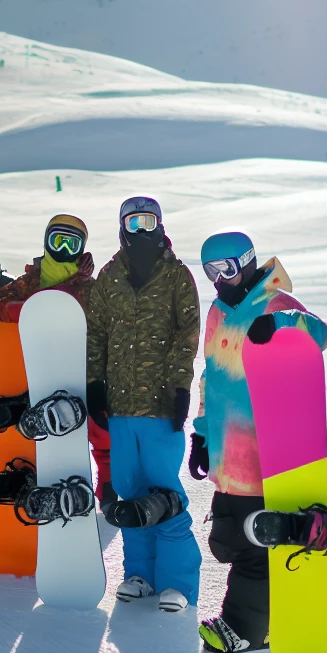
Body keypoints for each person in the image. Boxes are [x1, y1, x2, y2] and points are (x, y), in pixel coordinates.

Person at [189, 231, 327, 653]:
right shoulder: (217, 311)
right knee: (228, 539)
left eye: (226, 269)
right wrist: (200, 433)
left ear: (248, 262)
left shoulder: (275, 304)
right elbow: (210, 377)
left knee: (255, 543)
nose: (219, 279)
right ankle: (263, 619)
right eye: (211, 271)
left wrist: (284, 324)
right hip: (227, 452)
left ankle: (247, 629)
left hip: (266, 449)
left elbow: (319, 335)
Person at [84, 197, 202, 613]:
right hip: (119, 404)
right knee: (129, 491)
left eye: (147, 221)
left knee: (164, 491)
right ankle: (139, 575)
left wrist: (179, 387)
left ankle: (178, 583)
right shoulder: (110, 276)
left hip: (160, 404)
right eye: (133, 222)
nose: (140, 229)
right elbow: (95, 333)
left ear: (159, 225)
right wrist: (95, 384)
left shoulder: (175, 275)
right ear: (121, 227)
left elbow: (188, 333)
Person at [0, 214, 110, 503]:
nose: (63, 249)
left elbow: (104, 333)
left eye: (72, 244)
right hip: (32, 370)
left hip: (78, 370)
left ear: (82, 248)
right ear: (46, 241)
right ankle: (32, 488)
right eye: (57, 240)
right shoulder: (25, 284)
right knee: (36, 428)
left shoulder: (92, 289)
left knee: (95, 425)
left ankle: (107, 482)